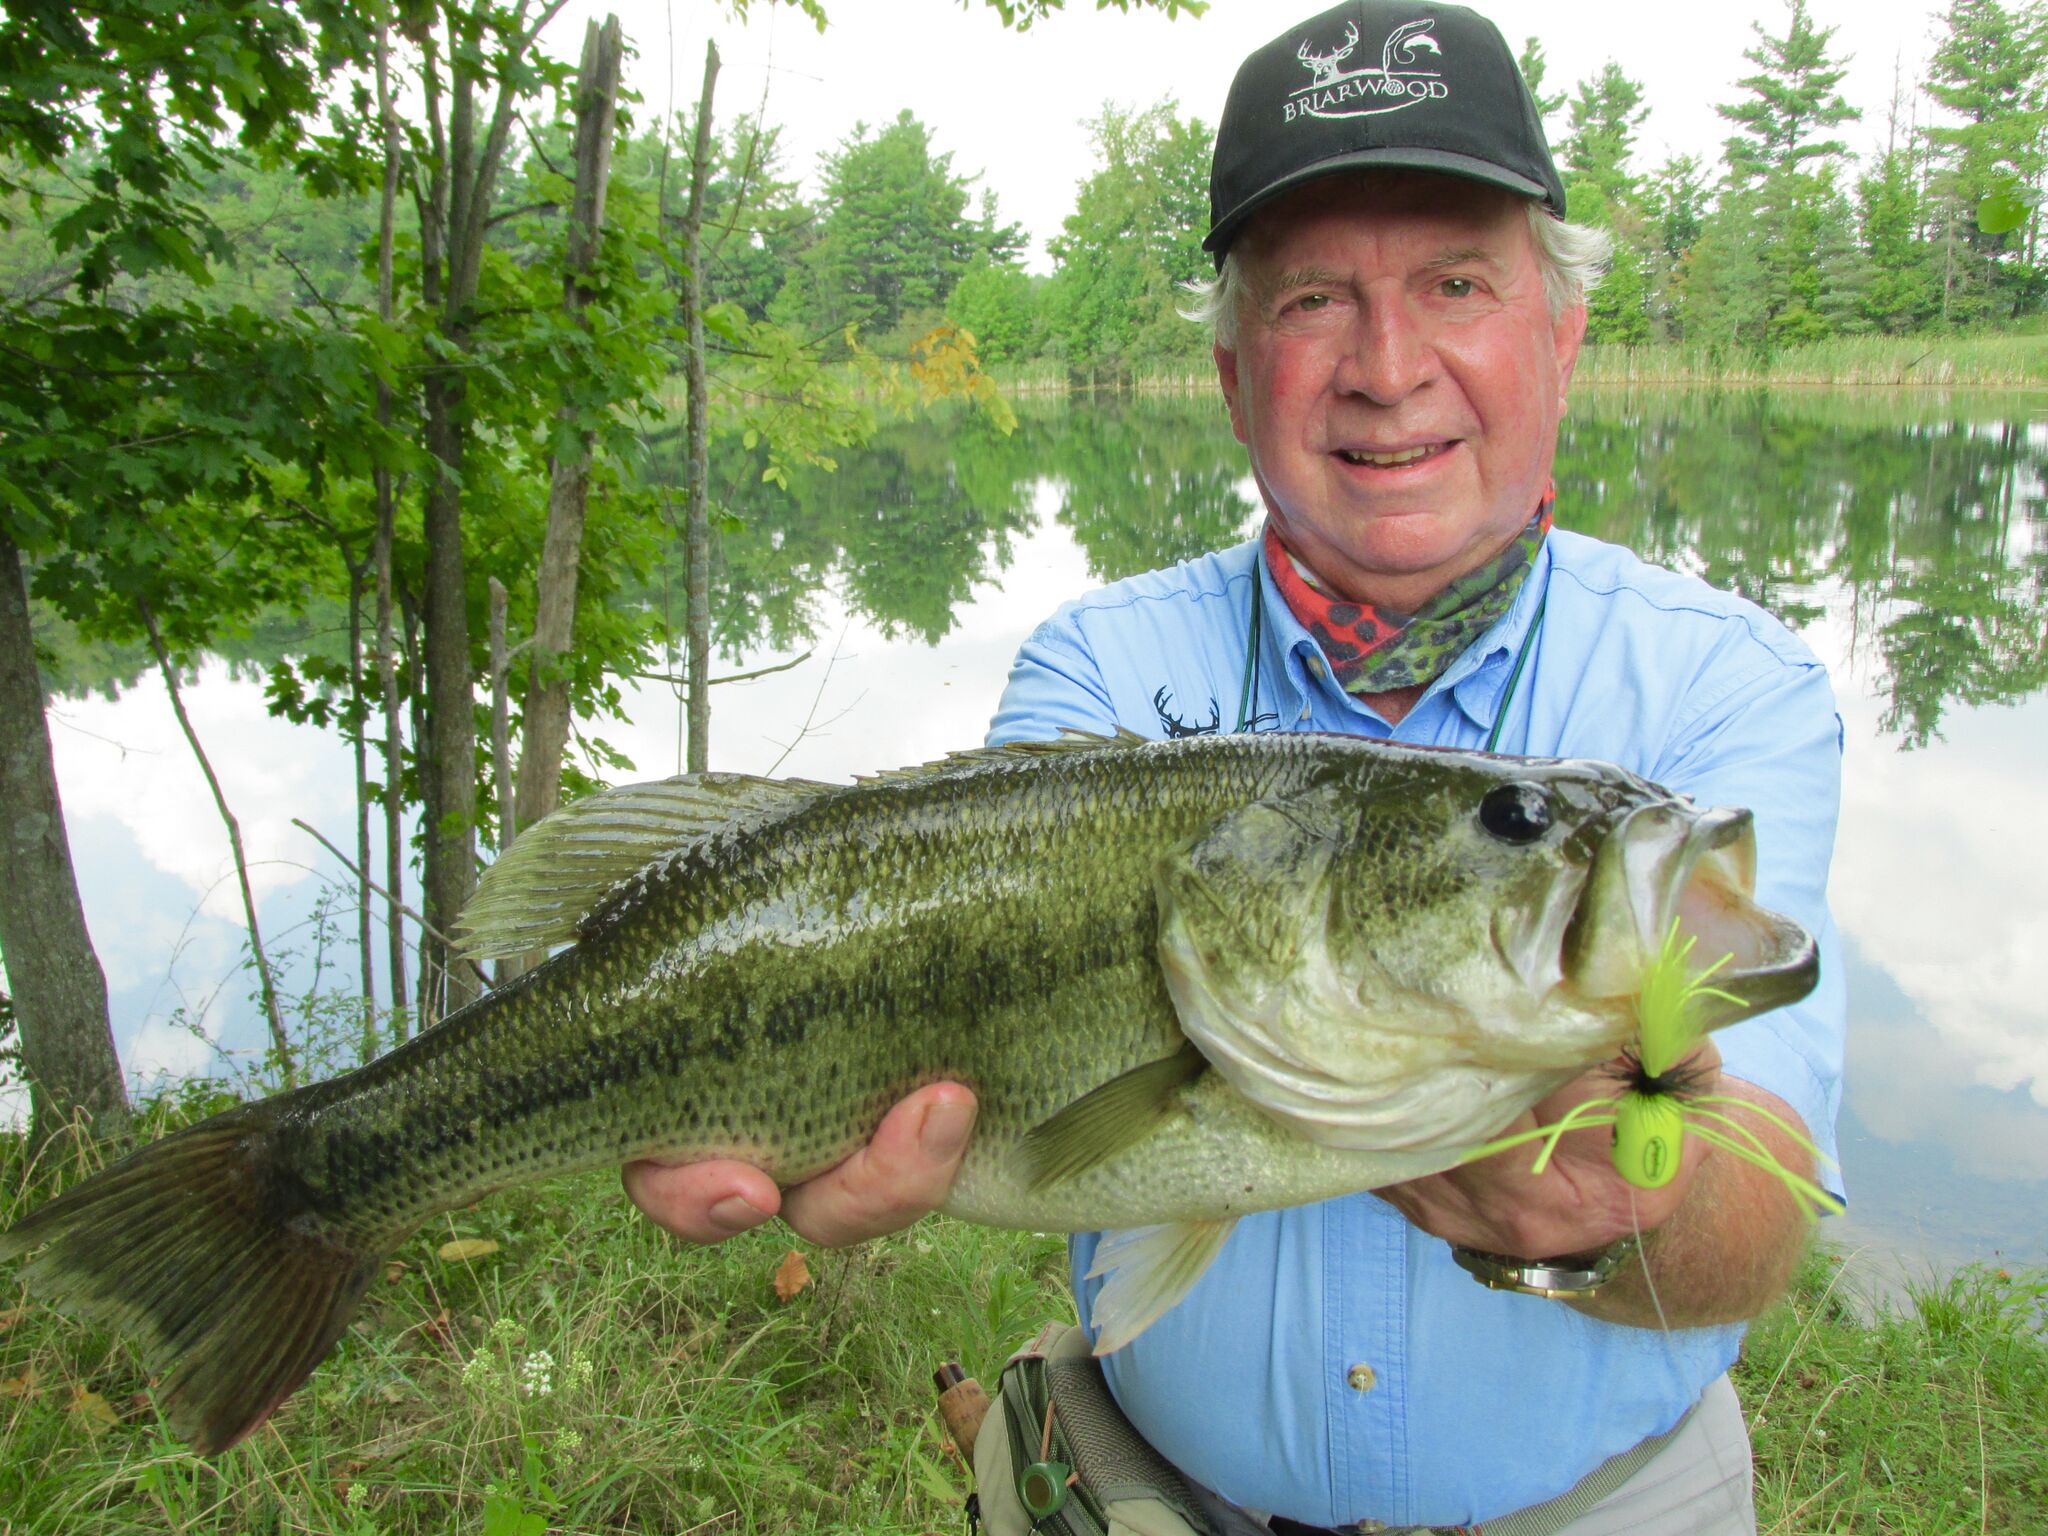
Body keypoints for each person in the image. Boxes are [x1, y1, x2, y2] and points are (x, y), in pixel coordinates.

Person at [625, 3, 1848, 1530]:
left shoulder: (1726, 686)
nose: (1388, 368)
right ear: (1229, 372)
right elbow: (984, 1064)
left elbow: (1763, 1209)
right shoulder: (1101, 675)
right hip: (1151, 1495)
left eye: (1457, 282)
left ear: (1562, 328)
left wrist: (1616, 1218)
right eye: (1314, 300)